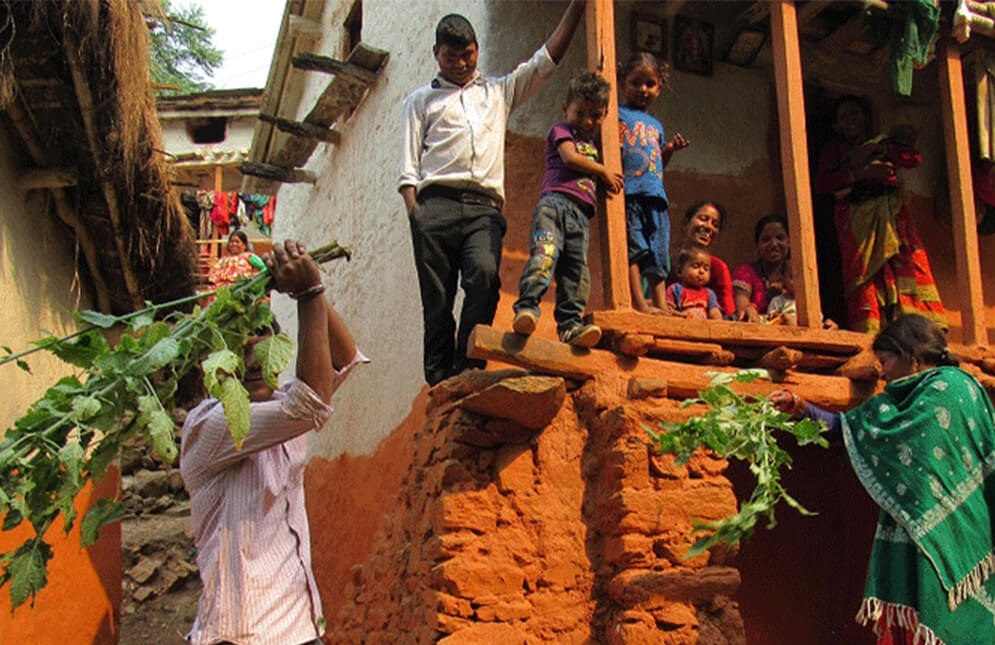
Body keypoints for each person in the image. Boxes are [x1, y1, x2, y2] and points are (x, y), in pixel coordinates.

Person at [180, 240, 366, 645]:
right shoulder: (211, 425)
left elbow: (344, 358)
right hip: (243, 637)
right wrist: (308, 293)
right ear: (211, 361)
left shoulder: (284, 405)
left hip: (298, 628)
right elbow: (312, 403)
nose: (249, 349)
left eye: (259, 332)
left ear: (279, 344)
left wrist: (305, 286)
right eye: (233, 340)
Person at [771, 314, 995, 644]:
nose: (882, 371)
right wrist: (801, 407)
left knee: (949, 616)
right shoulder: (897, 402)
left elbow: (908, 444)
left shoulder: (951, 389)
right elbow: (849, 429)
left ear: (910, 354)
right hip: (914, 525)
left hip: (957, 528)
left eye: (886, 361)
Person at [399, 3, 586, 385]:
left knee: (484, 279)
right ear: (437, 54)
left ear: (477, 50)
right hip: (434, 207)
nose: (462, 63)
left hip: (484, 208)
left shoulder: (498, 92)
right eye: (452, 56)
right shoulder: (419, 101)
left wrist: (577, 6)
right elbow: (407, 167)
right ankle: (439, 378)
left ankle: (469, 364)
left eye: (468, 54)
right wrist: (416, 212)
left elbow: (545, 61)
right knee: (436, 298)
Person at [814, 95, 946, 333]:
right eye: (843, 117)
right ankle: (871, 330)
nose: (850, 120)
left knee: (902, 265)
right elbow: (823, 184)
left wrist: (893, 145)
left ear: (865, 116)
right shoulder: (835, 149)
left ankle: (910, 329)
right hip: (857, 221)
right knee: (866, 276)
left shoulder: (882, 143)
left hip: (891, 217)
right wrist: (863, 174)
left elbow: (912, 159)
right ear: (836, 125)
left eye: (854, 113)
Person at [511, 72, 624, 347]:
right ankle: (527, 308)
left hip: (581, 217)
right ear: (566, 109)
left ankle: (570, 326)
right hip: (554, 206)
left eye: (595, 115)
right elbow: (569, 158)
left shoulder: (599, 145)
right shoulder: (561, 131)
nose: (587, 121)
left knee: (576, 272)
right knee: (544, 256)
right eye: (580, 113)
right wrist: (602, 171)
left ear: (605, 113)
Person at [617, 52, 689, 314]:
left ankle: (660, 304)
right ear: (623, 81)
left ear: (660, 86)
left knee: (658, 251)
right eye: (635, 83)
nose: (642, 90)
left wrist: (668, 149)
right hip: (630, 194)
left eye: (650, 84)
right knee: (635, 249)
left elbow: (658, 165)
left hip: (656, 195)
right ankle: (638, 302)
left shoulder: (656, 125)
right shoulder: (617, 113)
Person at [677, 200, 735, 317]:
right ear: (686, 223)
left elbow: (728, 312)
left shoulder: (718, 267)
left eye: (715, 225)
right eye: (703, 219)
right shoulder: (667, 261)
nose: (709, 227)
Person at [732, 214, 790, 323]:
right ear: (757, 245)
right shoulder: (745, 272)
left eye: (780, 238)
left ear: (790, 242)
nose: (774, 244)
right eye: (766, 239)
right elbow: (743, 311)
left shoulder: (796, 276)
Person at [665, 244, 722, 320]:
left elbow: (714, 312)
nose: (701, 271)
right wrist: (678, 315)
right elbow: (668, 309)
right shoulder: (675, 289)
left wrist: (717, 317)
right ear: (679, 271)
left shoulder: (709, 294)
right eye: (696, 266)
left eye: (706, 269)